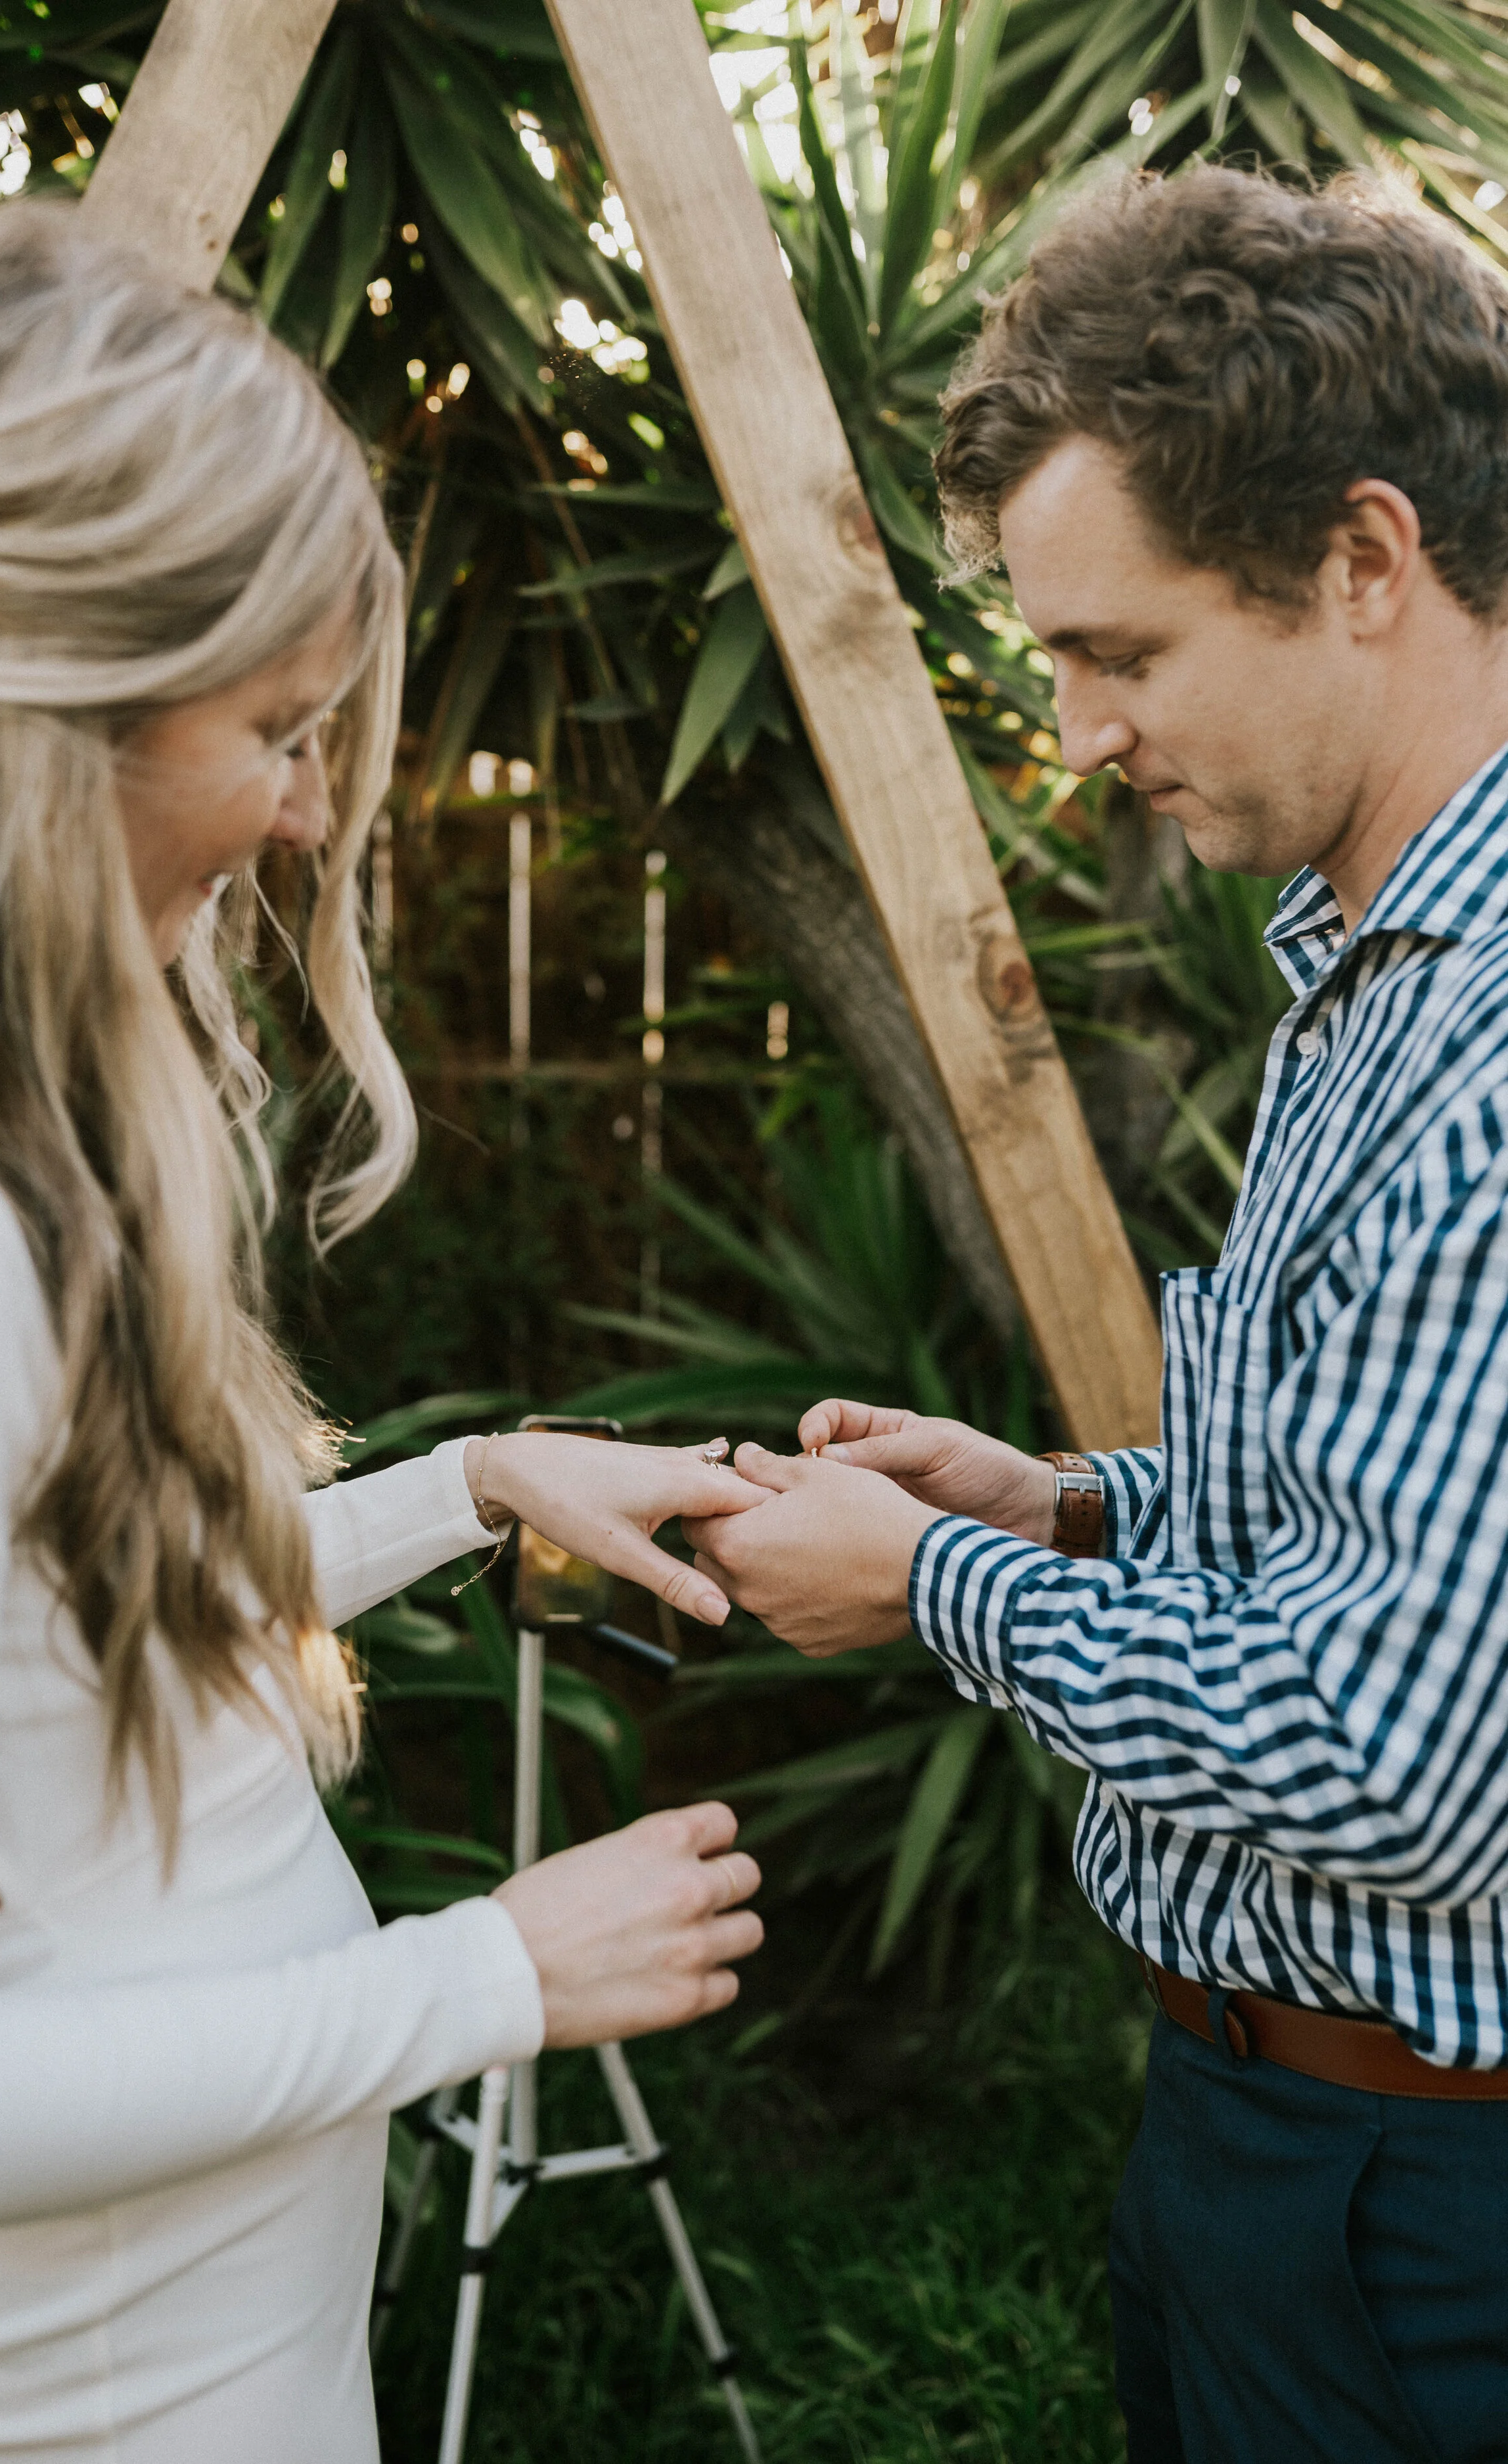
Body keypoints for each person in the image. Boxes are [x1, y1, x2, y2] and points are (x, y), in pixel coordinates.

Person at [0, 203, 766, 2464]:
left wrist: (469, 1492)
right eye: (269, 728)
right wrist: (489, 1976)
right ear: (44, 708)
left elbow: (42, 1638)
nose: (297, 806)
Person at [685, 167, 1508, 2462]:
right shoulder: (1377, 973)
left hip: (1429, 2198)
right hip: (1274, 2134)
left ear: (1362, 564)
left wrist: (936, 1590)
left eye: (1116, 653)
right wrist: (1054, 1511)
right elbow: (1379, 1526)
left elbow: (1402, 1759)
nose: (1071, 729)